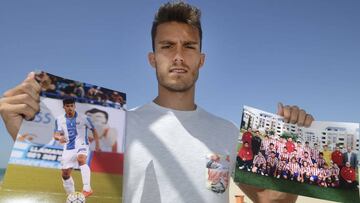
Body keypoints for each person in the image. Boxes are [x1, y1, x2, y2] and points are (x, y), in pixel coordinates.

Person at [0, 2, 315, 203]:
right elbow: (66, 170)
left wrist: (296, 146)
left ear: (201, 59)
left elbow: (273, 200)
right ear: (153, 58)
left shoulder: (228, 131)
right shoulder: (121, 127)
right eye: (167, 46)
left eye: (188, 46)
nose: (178, 56)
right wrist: (20, 131)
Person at [54, 97, 100, 197]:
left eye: (72, 106)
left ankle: (87, 188)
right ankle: (72, 197)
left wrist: (97, 144)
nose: (70, 108)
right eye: (67, 106)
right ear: (64, 107)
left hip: (82, 144)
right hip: (69, 148)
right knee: (65, 174)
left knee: (81, 159)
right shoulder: (59, 119)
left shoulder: (84, 118)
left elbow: (94, 130)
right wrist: (59, 137)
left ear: (75, 106)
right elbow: (56, 134)